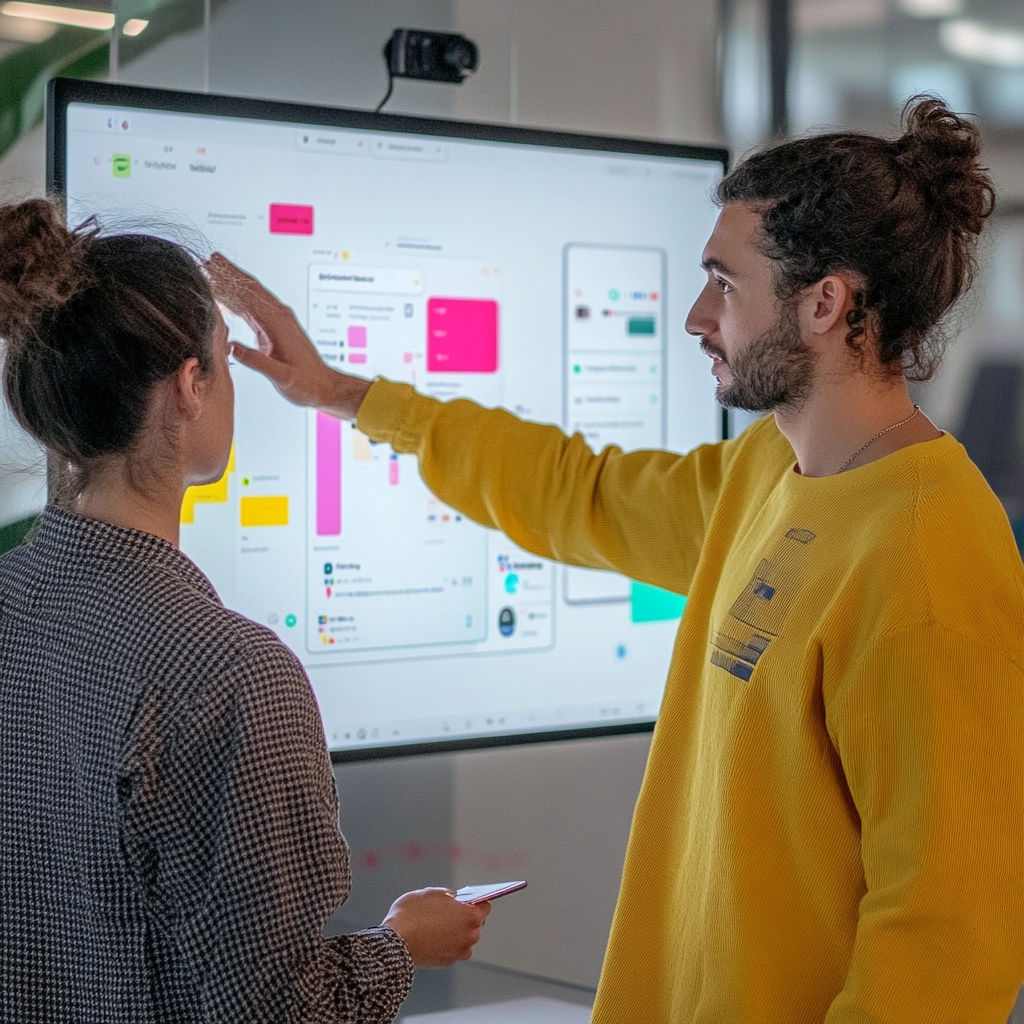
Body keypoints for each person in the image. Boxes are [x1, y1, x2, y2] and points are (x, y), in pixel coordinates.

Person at [220, 96, 1024, 1022]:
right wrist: (344, 394)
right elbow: (579, 492)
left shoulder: (930, 554)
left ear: (824, 304)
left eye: (724, 283)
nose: (695, 316)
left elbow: (946, 942)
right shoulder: (767, 471)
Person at [0, 199, 488, 1024]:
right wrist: (403, 942)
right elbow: (276, 1011)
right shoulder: (230, 675)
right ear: (190, 386)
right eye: (224, 361)